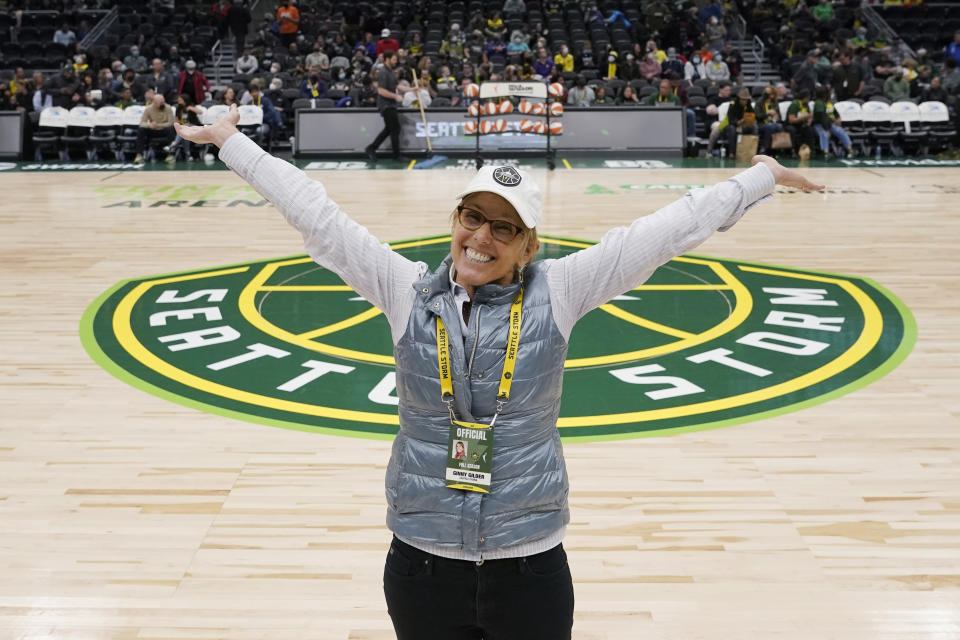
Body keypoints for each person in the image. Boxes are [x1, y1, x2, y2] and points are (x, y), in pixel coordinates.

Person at [174, 100, 823, 640]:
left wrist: (762, 176)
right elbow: (315, 214)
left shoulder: (560, 290)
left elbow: (668, 229)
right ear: (455, 219)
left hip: (530, 565)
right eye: (473, 217)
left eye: (504, 228)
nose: (482, 237)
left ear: (528, 245)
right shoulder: (404, 289)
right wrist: (231, 141)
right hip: (422, 562)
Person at [365, 49, 402, 162]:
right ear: (387, 59)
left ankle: (371, 148)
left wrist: (412, 89)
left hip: (391, 104)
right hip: (386, 105)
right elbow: (381, 91)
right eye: (394, 59)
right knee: (395, 128)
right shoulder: (383, 72)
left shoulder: (391, 71)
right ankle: (396, 156)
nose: (396, 61)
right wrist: (396, 96)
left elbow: (398, 86)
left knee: (390, 129)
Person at [134, 93, 176, 164]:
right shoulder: (148, 109)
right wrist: (149, 125)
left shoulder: (168, 108)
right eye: (161, 103)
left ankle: (171, 155)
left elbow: (171, 123)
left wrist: (158, 125)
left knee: (171, 129)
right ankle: (139, 155)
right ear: (155, 103)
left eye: (163, 102)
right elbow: (142, 123)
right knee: (141, 129)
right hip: (152, 130)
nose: (163, 104)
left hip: (164, 130)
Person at [812, 86, 853, 158]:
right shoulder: (818, 103)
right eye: (829, 92)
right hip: (819, 125)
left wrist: (838, 118)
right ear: (824, 93)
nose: (830, 94)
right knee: (824, 134)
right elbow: (822, 118)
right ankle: (826, 153)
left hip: (829, 124)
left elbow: (835, 112)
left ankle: (850, 150)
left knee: (840, 131)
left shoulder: (829, 102)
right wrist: (826, 129)